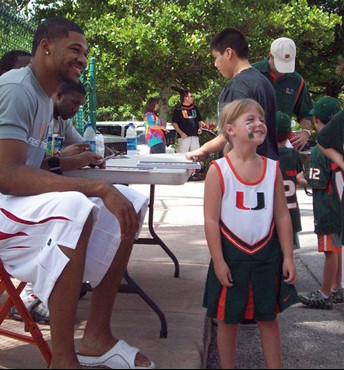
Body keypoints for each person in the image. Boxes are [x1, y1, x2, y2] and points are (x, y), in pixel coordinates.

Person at [0, 17, 155, 369]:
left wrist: (65, 165)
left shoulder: (43, 96)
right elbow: (6, 175)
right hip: (3, 206)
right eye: (75, 49)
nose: (82, 59)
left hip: (14, 204)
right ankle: (63, 360)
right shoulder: (15, 89)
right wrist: (96, 187)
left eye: (85, 52)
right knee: (75, 206)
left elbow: (30, 168)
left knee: (129, 201)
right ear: (46, 47)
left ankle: (97, 337)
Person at [203, 99, 298, 369]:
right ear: (230, 129)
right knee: (227, 317)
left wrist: (288, 256)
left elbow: (282, 215)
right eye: (250, 120)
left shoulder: (272, 168)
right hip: (231, 256)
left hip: (267, 256)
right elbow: (211, 220)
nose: (259, 124)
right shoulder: (218, 170)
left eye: (261, 119)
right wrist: (218, 261)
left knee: (269, 317)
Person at [187, 28, 278, 162]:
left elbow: (231, 134)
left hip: (243, 170)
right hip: (266, 167)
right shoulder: (264, 82)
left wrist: (203, 149)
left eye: (216, 57)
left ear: (228, 53)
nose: (215, 64)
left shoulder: (237, 87)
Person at [298, 96, 343, 309]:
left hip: (327, 206)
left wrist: (300, 178)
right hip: (340, 203)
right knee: (337, 248)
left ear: (316, 120)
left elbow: (316, 181)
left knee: (329, 250)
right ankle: (336, 287)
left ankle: (324, 293)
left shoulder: (320, 148)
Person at [253, 37, 313, 150]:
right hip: (253, 141)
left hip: (281, 144)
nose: (283, 70)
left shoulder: (297, 81)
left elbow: (306, 113)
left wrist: (305, 133)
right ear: (270, 55)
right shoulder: (251, 73)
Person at [276, 111, 304, 249]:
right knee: (289, 254)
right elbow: (300, 175)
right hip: (291, 214)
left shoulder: (266, 156)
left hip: (273, 216)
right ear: (289, 133)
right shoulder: (294, 155)